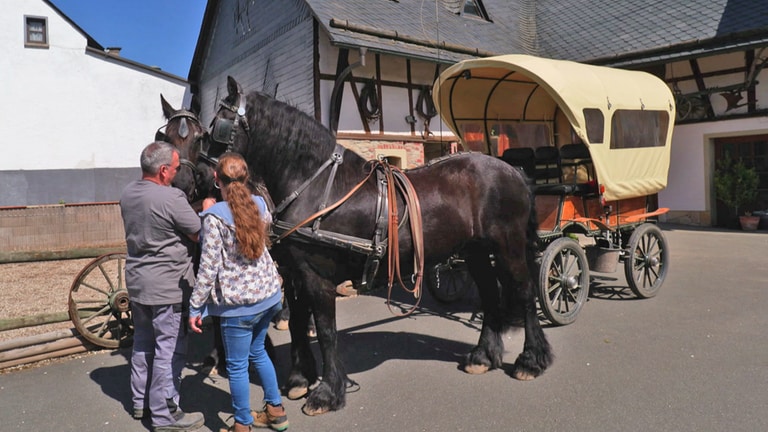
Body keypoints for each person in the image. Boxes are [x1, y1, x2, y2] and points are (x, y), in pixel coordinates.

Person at [188, 152, 288, 432]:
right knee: (258, 352)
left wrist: (195, 307)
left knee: (236, 366)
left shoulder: (213, 217)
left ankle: (242, 425)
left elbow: (207, 269)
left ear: (216, 178)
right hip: (268, 296)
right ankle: (276, 411)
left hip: (238, 306)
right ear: (247, 178)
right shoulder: (259, 205)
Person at [120, 141, 205, 432]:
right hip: (167, 286)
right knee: (168, 350)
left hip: (137, 282)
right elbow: (197, 233)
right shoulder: (173, 197)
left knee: (143, 344)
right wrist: (205, 210)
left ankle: (140, 401)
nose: (179, 173)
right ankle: (164, 414)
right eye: (177, 168)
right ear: (164, 170)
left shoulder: (128, 193)